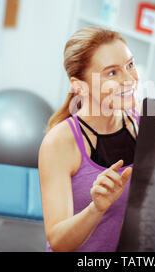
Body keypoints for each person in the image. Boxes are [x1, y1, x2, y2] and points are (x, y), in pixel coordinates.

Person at [38, 26, 141, 251]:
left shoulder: (143, 126)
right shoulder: (60, 142)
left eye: (130, 65)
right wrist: (96, 208)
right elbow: (58, 242)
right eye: (112, 73)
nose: (129, 79)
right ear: (80, 87)